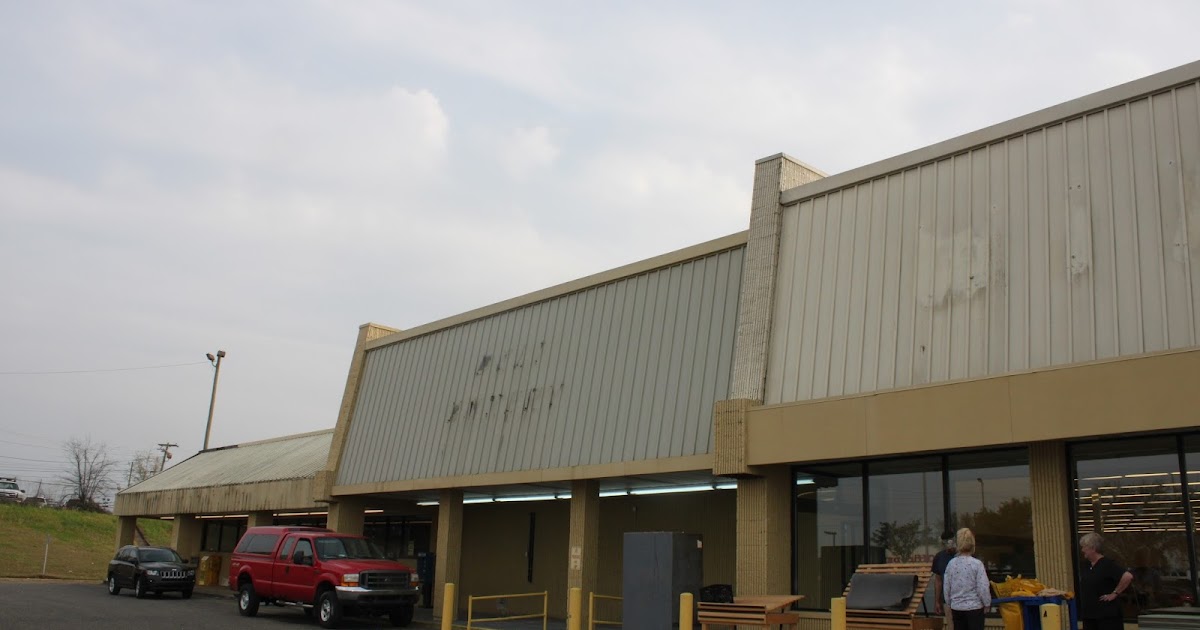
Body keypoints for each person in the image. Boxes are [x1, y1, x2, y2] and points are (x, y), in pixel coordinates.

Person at [1078, 533, 1133, 630]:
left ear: (1093, 548)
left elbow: (1127, 576)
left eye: (1084, 547)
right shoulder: (1087, 565)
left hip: (1106, 616)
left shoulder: (1107, 564)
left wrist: (1115, 593)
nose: (1082, 550)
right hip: (1090, 615)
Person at [943, 528, 991, 630]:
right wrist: (987, 603)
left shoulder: (951, 564)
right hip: (975, 608)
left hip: (957, 608)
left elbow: (946, 587)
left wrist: (949, 603)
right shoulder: (977, 564)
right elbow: (983, 587)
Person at [932, 530, 957, 630]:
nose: (948, 546)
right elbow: (938, 580)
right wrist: (937, 601)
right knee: (951, 626)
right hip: (948, 600)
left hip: (964, 600)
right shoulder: (939, 557)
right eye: (945, 543)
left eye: (950, 543)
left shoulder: (962, 556)